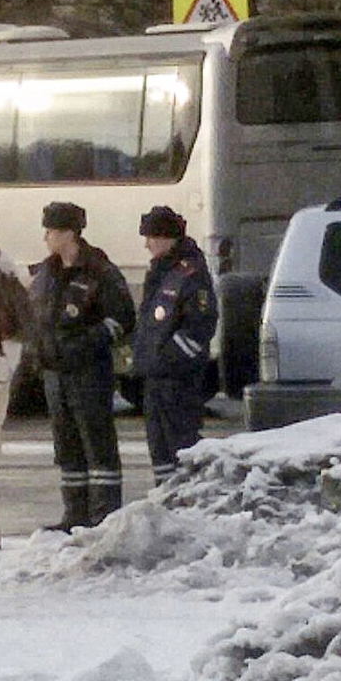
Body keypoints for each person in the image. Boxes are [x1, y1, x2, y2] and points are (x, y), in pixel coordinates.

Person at [29, 201, 136, 531]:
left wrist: (83, 345)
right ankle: (74, 514)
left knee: (97, 443)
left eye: (51, 231)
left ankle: (104, 515)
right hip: (55, 374)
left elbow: (121, 319)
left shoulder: (99, 271)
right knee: (67, 447)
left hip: (88, 371)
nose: (46, 237)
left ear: (69, 234)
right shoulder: (46, 273)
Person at [132, 205, 218, 485]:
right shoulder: (159, 272)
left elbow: (199, 326)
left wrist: (168, 359)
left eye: (151, 237)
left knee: (182, 445)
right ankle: (166, 498)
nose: (146, 245)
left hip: (179, 381)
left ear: (168, 238)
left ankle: (188, 502)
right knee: (159, 448)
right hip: (156, 378)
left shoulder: (190, 274)